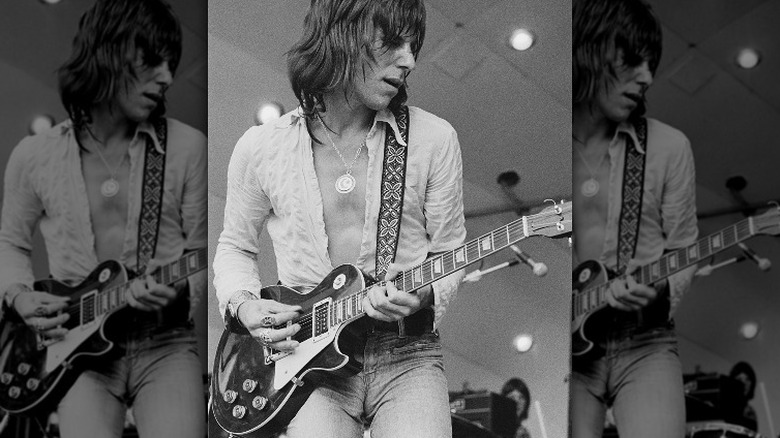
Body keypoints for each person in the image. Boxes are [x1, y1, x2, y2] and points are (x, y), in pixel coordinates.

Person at [212, 0, 465, 436]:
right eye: (390, 42)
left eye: (413, 45)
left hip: (407, 352)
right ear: (340, 35)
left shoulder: (433, 139)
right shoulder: (260, 148)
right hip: (305, 354)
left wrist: (423, 297)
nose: (408, 60)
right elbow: (235, 247)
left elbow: (451, 249)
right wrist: (244, 305)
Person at [0, 1, 207, 437]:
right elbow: (11, 242)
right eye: (152, 61)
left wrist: (180, 288)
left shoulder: (189, 148)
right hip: (74, 348)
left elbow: (206, 251)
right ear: (107, 52)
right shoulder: (33, 157)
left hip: (165, 343)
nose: (167, 77)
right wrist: (19, 298)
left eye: (171, 64)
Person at [571, 0, 698, 437]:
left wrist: (659, 292)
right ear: (589, 50)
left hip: (645, 339)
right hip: (568, 344)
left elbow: (685, 247)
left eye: (651, 64)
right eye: (630, 60)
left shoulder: (669, 147)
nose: (646, 77)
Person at [729, 361, 759, 431]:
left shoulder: (750, 412)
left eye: (747, 379)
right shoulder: (724, 405)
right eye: (739, 379)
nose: (744, 383)